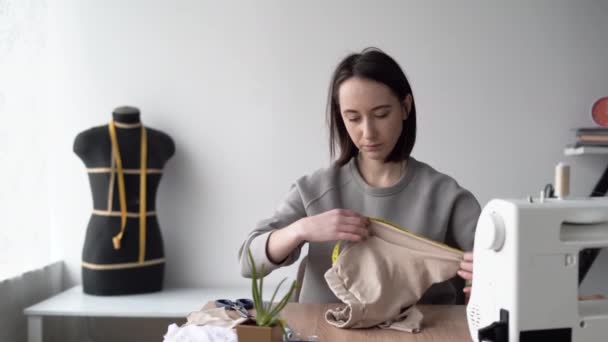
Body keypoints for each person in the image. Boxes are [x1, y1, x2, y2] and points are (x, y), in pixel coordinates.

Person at [238, 48, 480, 304]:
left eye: (381, 115)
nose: (368, 132)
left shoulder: (445, 196)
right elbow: (248, 263)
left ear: (405, 107)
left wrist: (487, 277)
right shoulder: (315, 189)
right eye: (353, 118)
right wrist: (302, 230)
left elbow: (501, 264)